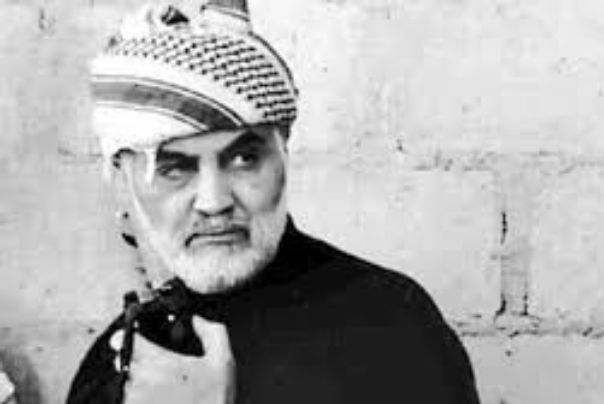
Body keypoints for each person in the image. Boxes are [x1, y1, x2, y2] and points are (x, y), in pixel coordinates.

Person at [67, 1, 481, 403]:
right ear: (124, 182)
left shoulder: (389, 323)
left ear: (284, 155)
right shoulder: (116, 361)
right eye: (175, 168)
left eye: (244, 159)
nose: (214, 202)